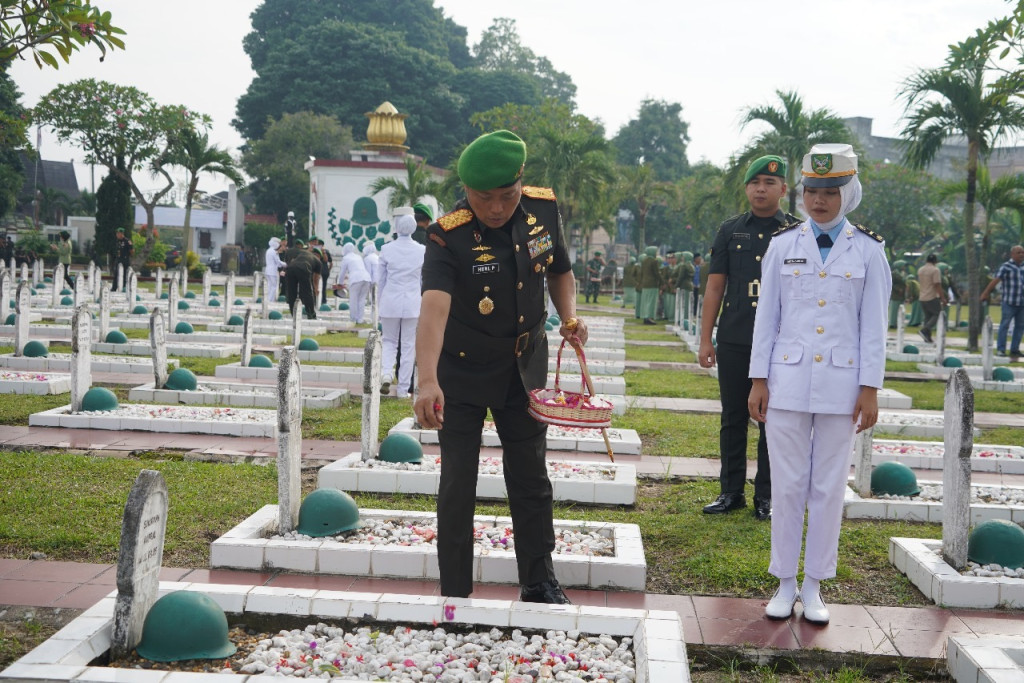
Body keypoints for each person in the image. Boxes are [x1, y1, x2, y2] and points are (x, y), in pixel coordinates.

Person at [414, 130, 587, 603]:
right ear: (465, 190)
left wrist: (568, 315)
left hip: (523, 369)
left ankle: (539, 580)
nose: (495, 208)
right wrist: (426, 379)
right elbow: (433, 308)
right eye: (482, 197)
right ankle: (455, 593)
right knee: (457, 485)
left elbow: (559, 268)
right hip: (462, 375)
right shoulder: (447, 234)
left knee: (531, 477)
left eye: (506, 196)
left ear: (521, 181)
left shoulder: (543, 210)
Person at [748, 143, 890, 625]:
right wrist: (759, 379)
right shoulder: (783, 245)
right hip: (786, 381)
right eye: (812, 190)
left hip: (842, 387)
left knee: (828, 487)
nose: (819, 200)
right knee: (787, 485)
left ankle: (814, 585)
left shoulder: (869, 250)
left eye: (830, 191)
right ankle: (784, 581)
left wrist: (869, 387)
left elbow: (874, 325)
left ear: (848, 192)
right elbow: (767, 319)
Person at [698, 155, 797, 521]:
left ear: (783, 189)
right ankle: (731, 492)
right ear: (746, 188)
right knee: (733, 416)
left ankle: (766, 496)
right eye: (755, 182)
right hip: (737, 336)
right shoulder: (730, 231)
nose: (761, 189)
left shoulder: (796, 232)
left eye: (770, 183)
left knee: (772, 418)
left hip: (781, 342)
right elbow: (715, 287)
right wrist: (706, 339)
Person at [379, 210, 426, 398]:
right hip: (413, 302)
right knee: (408, 345)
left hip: (390, 300)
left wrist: (381, 302)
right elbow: (423, 281)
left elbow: (381, 280)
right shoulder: (422, 250)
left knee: (389, 342)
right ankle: (402, 389)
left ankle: (387, 374)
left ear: (397, 228)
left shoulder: (386, 249)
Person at [981, 244, 1024, 359]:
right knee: (1004, 325)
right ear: (1012, 254)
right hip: (1009, 302)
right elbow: (995, 281)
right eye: (1018, 252)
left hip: (1021, 303)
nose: (1021, 254)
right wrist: (985, 293)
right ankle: (1001, 349)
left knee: (1020, 327)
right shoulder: (1006, 266)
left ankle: (1015, 350)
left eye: (1022, 252)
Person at [282, 239, 320, 319]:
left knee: (292, 293)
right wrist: (316, 289)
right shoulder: (318, 261)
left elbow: (292, 260)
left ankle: (294, 315)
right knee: (307, 292)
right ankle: (311, 314)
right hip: (304, 268)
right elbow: (316, 278)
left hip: (291, 268)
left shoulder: (304, 253)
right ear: (318, 255)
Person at [336, 242, 372, 324]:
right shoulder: (358, 256)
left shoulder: (346, 258)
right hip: (366, 278)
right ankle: (360, 319)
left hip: (356, 279)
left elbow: (342, 272)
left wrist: (340, 283)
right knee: (362, 299)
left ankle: (353, 319)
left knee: (353, 299)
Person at [917, 254, 946, 343]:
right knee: (937, 313)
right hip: (931, 296)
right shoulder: (935, 270)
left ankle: (927, 337)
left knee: (928, 317)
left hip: (922, 296)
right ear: (935, 261)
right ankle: (925, 329)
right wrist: (942, 297)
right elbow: (937, 284)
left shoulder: (920, 270)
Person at [638, 246, 661, 324]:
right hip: (652, 284)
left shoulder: (644, 261)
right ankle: (649, 317)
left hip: (645, 284)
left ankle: (645, 316)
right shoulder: (654, 261)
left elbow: (641, 273)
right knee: (651, 301)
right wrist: (663, 282)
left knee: (645, 301)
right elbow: (657, 273)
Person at [111, 227, 133, 292]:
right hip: (118, 259)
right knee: (116, 274)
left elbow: (131, 250)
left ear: (122, 233)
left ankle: (124, 288)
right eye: (116, 233)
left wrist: (128, 256)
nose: (117, 235)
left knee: (125, 275)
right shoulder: (117, 241)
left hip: (125, 260)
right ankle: (114, 288)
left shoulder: (127, 241)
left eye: (118, 233)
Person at [264, 237, 286, 301]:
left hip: (268, 270)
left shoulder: (268, 250)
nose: (279, 245)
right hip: (273, 271)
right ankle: (270, 300)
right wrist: (286, 264)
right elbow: (278, 262)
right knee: (273, 287)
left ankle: (267, 300)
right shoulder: (274, 251)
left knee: (269, 286)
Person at [888, 260, 907, 329]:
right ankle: (892, 323)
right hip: (896, 294)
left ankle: (896, 323)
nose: (904, 267)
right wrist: (898, 289)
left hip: (901, 295)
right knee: (894, 309)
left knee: (899, 309)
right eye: (903, 266)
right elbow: (891, 283)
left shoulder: (902, 273)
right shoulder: (894, 273)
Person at [692, 253, 704, 317]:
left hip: (699, 286)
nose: (700, 260)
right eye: (699, 259)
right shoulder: (692, 267)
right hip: (693, 286)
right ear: (695, 259)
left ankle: (698, 312)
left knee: (699, 300)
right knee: (694, 300)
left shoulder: (701, 267)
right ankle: (694, 312)